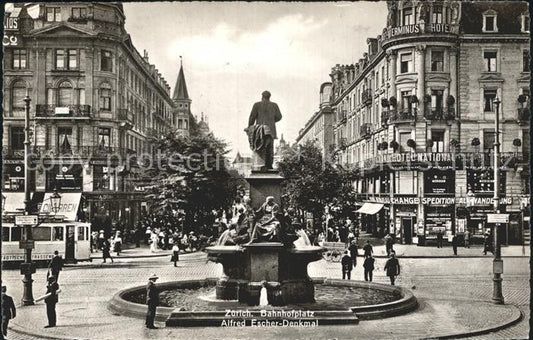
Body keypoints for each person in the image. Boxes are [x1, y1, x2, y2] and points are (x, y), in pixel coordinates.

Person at [246, 90, 283, 171]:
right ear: (269, 97)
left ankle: (261, 165)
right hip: (270, 130)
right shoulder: (274, 105)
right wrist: (272, 120)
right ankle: (269, 165)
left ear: (262, 96)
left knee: (260, 146)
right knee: (270, 147)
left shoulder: (257, 105)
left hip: (260, 129)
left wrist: (249, 128)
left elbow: (252, 117)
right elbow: (279, 116)